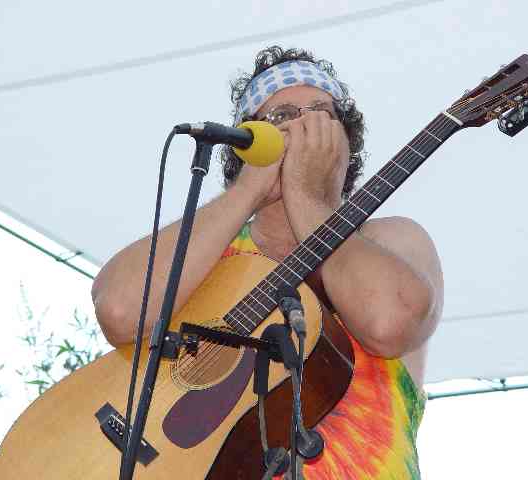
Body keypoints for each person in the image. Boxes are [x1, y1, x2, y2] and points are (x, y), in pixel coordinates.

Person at [91, 45, 443, 479]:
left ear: (344, 142)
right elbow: (119, 311)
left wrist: (311, 199)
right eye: (282, 116)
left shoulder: (389, 238)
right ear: (248, 144)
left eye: (321, 114)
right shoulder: (212, 251)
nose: (303, 127)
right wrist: (246, 191)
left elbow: (388, 324)